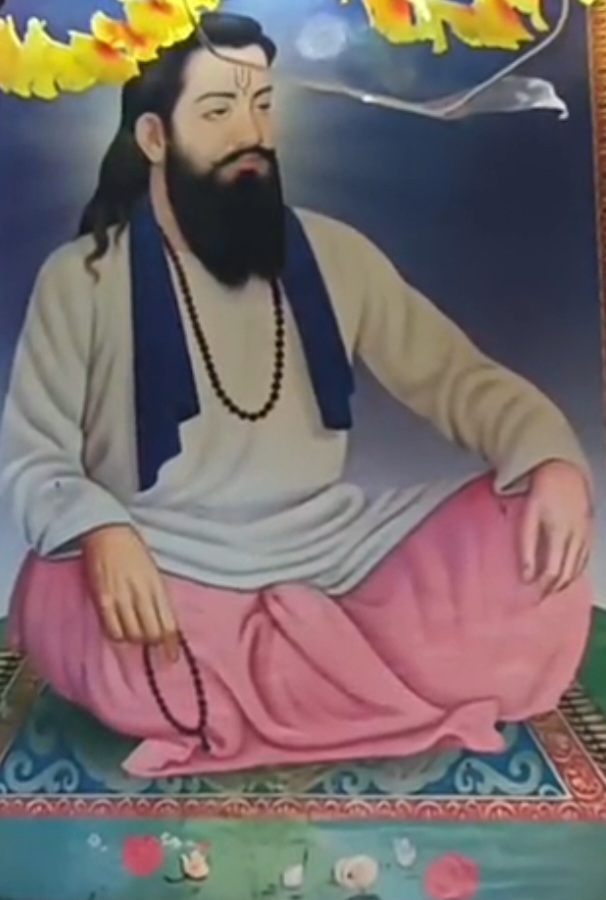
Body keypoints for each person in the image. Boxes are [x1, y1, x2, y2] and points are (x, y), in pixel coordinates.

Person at [0, 12, 594, 778]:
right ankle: (347, 678)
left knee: (533, 548)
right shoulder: (81, 279)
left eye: (262, 104)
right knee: (62, 590)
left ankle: (276, 679)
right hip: (165, 563)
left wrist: (551, 462)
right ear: (154, 137)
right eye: (220, 110)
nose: (252, 133)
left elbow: (462, 381)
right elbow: (32, 457)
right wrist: (102, 529)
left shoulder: (335, 254)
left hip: (335, 555)